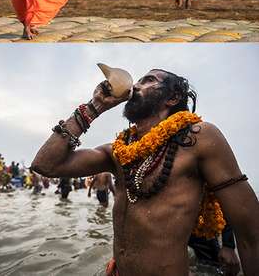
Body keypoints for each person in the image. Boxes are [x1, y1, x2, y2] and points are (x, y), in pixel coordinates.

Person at [30, 69, 259, 275]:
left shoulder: (198, 138)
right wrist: (95, 107)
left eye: (148, 80)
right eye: (137, 81)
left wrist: (229, 246)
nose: (135, 86)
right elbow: (46, 165)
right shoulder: (118, 152)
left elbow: (251, 232)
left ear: (172, 98)